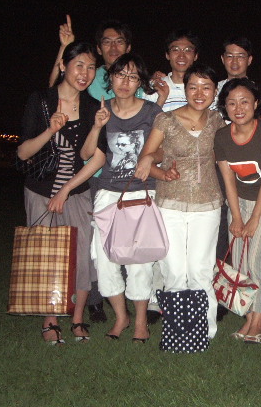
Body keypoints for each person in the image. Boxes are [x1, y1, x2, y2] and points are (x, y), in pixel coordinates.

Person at [48, 53, 162, 344]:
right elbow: (88, 155)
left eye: (133, 77)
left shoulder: (152, 112)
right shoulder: (102, 109)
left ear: (140, 82)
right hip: (109, 192)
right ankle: (121, 316)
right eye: (120, 75)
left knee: (139, 260)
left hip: (142, 192)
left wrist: (150, 157)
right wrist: (98, 126)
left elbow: (163, 150)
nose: (125, 82)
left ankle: (140, 322)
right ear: (110, 78)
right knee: (105, 258)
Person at [17, 41, 100, 344]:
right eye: (79, 65)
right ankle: (50, 319)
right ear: (64, 66)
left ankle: (77, 318)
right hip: (40, 190)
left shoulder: (93, 107)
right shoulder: (41, 101)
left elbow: (93, 156)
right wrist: (50, 131)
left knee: (82, 254)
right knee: (46, 254)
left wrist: (65, 191)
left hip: (76, 192)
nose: (85, 73)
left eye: (91, 67)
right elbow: (24, 152)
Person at [135, 63, 226, 339]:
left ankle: (205, 331)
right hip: (170, 204)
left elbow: (226, 155)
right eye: (193, 87)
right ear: (184, 89)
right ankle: (177, 330)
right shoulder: (166, 119)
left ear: (214, 92)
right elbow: (147, 158)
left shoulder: (217, 121)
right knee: (173, 270)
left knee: (200, 270)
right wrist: (162, 171)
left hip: (207, 204)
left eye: (206, 87)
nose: (199, 93)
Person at [214, 78, 261, 344]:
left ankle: (258, 322)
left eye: (244, 101)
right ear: (225, 107)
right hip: (239, 201)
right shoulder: (222, 136)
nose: (238, 108)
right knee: (241, 261)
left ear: (256, 104)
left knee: (257, 261)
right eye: (232, 103)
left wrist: (254, 218)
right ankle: (249, 317)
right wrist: (237, 217)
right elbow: (228, 179)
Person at [145, 29, 201, 111]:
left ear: (195, 56)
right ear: (167, 55)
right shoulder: (155, 87)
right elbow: (145, 118)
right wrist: (161, 99)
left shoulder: (205, 89)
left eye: (188, 50)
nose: (181, 56)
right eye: (175, 50)